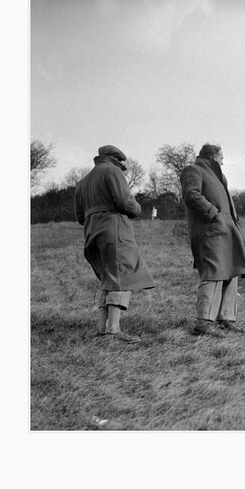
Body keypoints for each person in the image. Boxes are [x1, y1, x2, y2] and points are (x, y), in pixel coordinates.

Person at [74, 144, 155, 343]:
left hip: (92, 232)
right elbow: (125, 203)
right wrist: (137, 208)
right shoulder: (113, 171)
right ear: (117, 161)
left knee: (108, 278)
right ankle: (114, 328)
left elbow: (79, 217)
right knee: (123, 275)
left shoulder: (83, 182)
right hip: (114, 229)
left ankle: (103, 328)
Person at [180, 143, 245, 336]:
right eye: (221, 157)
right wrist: (213, 214)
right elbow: (191, 195)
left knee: (232, 271)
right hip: (211, 231)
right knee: (213, 273)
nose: (223, 161)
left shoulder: (218, 175)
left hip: (227, 231)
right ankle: (203, 323)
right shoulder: (193, 170)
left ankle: (225, 318)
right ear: (212, 156)